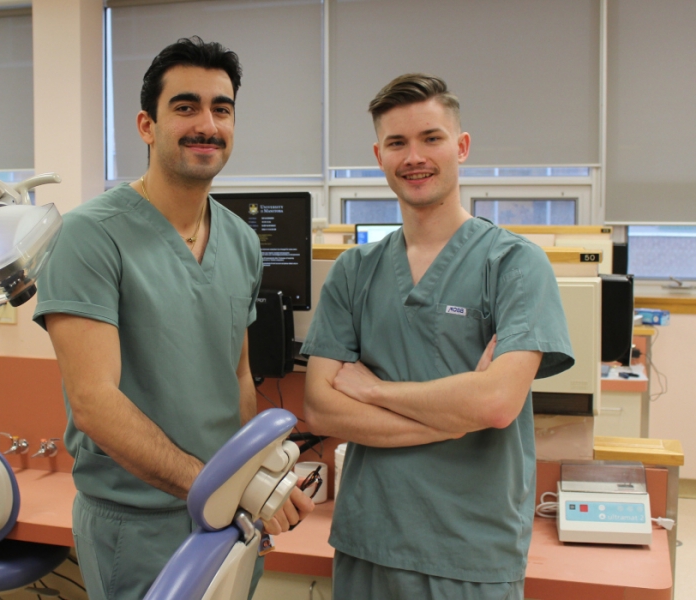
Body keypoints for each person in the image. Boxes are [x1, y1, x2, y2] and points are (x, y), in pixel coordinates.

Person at [33, 36, 314, 599]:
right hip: (136, 523)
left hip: (229, 516)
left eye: (222, 108)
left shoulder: (239, 240)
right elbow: (93, 403)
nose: (206, 124)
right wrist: (218, 488)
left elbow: (237, 375)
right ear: (146, 125)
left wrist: (255, 480)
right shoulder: (90, 236)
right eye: (185, 107)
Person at [301, 74, 575, 600]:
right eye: (398, 143)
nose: (414, 157)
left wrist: (373, 390)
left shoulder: (515, 264)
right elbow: (322, 408)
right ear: (379, 154)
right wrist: (454, 417)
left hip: (469, 550)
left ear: (462, 147)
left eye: (431, 138)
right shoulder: (353, 272)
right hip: (368, 541)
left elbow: (495, 404)